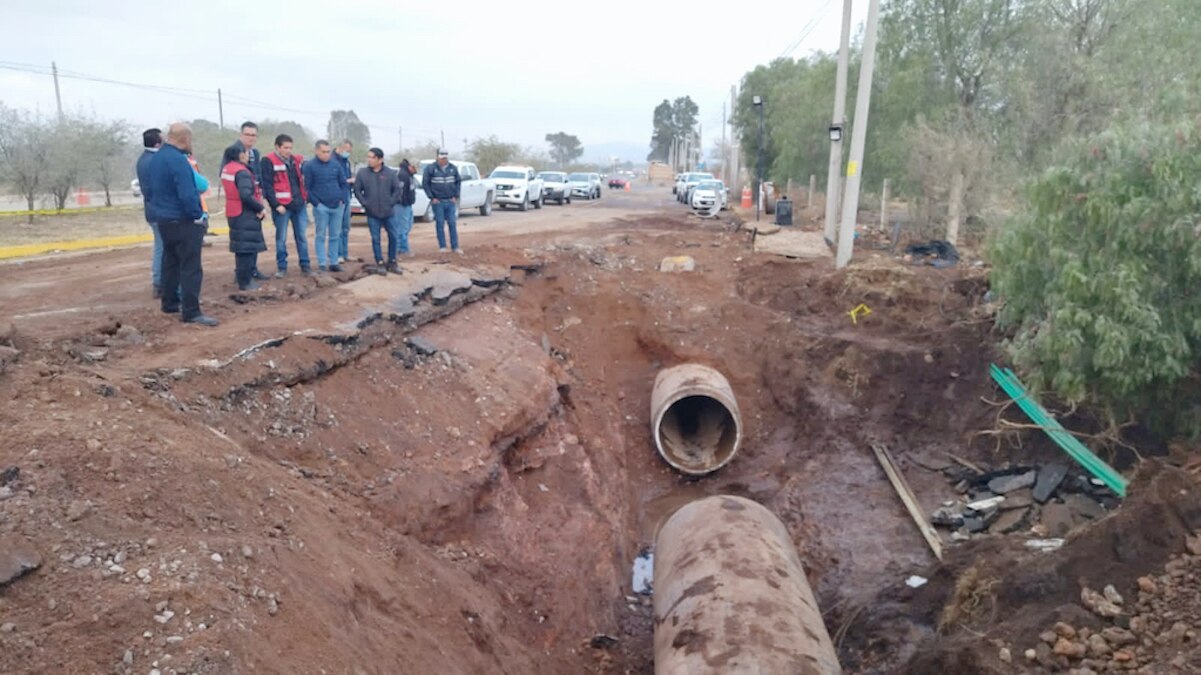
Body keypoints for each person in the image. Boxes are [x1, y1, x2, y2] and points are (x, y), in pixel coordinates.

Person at [145, 122, 217, 326]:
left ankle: (169, 303)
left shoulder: (157, 158)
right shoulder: (178, 160)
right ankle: (191, 311)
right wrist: (197, 215)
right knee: (191, 266)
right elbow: (187, 192)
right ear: (185, 139)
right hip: (183, 220)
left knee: (171, 262)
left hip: (164, 219)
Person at [261, 134, 311, 277]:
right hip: (282, 207)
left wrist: (304, 198)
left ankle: (305, 265)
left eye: (290, 148)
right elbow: (267, 186)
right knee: (281, 238)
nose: (288, 151)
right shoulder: (268, 161)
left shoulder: (295, 160)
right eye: (285, 148)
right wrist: (276, 205)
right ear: (277, 147)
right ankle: (282, 267)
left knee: (301, 236)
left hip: (298, 204)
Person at [219, 144, 267, 290]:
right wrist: (260, 207)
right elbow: (245, 195)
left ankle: (243, 279)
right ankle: (246, 282)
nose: (248, 156)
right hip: (244, 213)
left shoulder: (227, 168)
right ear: (241, 155)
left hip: (234, 210)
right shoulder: (242, 172)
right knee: (246, 249)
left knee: (241, 248)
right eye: (246, 153)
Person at [353, 147, 402, 274]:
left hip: (388, 212)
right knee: (375, 238)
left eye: (372, 157)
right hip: (372, 213)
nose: (369, 160)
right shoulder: (363, 173)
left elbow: (397, 190)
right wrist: (365, 203)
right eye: (368, 157)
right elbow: (357, 190)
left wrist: (390, 203)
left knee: (393, 236)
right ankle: (379, 262)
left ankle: (392, 261)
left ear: (380, 159)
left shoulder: (390, 173)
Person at [302, 140, 347, 272]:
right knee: (320, 235)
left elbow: (343, 183)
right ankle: (322, 263)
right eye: (324, 152)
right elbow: (306, 188)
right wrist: (317, 204)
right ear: (316, 151)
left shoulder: (336, 164)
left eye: (328, 151)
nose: (327, 154)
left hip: (337, 206)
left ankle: (333, 262)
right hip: (321, 207)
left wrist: (342, 199)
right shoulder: (309, 166)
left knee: (335, 235)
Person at [235, 122, 267, 280]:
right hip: (241, 201)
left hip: (254, 199)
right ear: (241, 135)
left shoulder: (255, 153)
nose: (250, 138)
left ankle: (252, 269)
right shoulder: (234, 152)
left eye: (253, 135)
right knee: (242, 239)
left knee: (253, 237)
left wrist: (260, 199)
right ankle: (242, 274)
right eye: (247, 135)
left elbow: (258, 176)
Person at [136, 128, 164, 297]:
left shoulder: (143, 159)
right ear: (157, 142)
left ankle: (159, 281)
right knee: (162, 247)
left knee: (161, 246)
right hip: (158, 211)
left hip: (152, 210)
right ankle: (159, 282)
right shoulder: (154, 161)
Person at [422, 150, 462, 254]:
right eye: (441, 158)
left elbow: (458, 182)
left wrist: (455, 196)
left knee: (452, 223)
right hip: (438, 201)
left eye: (445, 158)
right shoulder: (430, 169)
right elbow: (425, 184)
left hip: (450, 200)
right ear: (437, 157)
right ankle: (442, 246)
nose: (443, 160)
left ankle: (455, 247)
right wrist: (432, 198)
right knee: (440, 223)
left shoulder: (453, 168)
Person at [334, 140, 354, 263]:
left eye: (349, 151)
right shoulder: (333, 162)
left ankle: (345, 253)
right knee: (338, 229)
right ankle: (338, 254)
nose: (347, 153)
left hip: (347, 196)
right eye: (346, 150)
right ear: (340, 148)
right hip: (338, 198)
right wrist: (348, 181)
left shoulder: (346, 162)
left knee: (346, 228)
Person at [394, 159, 417, 256]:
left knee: (407, 227)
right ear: (410, 166)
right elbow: (400, 191)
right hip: (402, 205)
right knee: (401, 228)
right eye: (415, 168)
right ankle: (401, 249)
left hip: (408, 204)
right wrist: (402, 201)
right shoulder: (403, 175)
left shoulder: (409, 175)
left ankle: (402, 248)